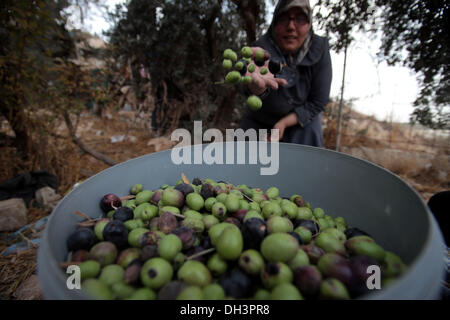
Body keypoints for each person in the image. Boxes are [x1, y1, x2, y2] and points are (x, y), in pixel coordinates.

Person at [240, 0, 332, 147]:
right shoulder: (260, 49)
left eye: (300, 19)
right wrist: (257, 90)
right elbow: (245, 86)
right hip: (260, 124)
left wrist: (283, 123)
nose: (290, 27)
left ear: (309, 24)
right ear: (274, 23)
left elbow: (318, 101)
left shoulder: (320, 48)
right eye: (283, 19)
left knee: (304, 158)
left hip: (301, 123)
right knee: (246, 161)